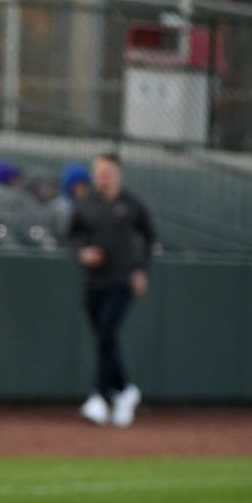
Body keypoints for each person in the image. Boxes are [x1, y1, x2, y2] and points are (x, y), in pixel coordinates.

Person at [69, 153, 156, 428]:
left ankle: (99, 397)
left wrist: (140, 269)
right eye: (98, 172)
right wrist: (83, 252)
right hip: (93, 282)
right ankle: (125, 391)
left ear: (117, 173)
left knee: (107, 333)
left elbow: (149, 238)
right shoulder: (86, 204)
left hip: (121, 282)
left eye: (106, 172)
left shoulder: (132, 205)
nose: (101, 177)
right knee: (104, 340)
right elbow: (73, 235)